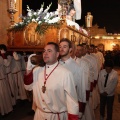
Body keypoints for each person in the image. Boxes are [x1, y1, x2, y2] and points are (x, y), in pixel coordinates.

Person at [24, 42, 79, 120]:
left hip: (56, 116)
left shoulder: (65, 73)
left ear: (57, 54)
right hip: (39, 115)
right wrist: (29, 69)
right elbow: (28, 87)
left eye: (49, 51)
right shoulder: (37, 70)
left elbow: (72, 101)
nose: (45, 53)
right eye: (44, 51)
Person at [59, 39, 86, 119]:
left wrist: (80, 110)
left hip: (69, 106)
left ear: (70, 49)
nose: (61, 49)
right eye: (60, 47)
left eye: (64, 47)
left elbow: (81, 89)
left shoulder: (77, 67)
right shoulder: (55, 64)